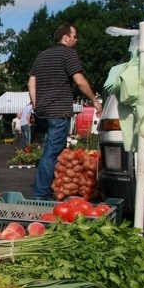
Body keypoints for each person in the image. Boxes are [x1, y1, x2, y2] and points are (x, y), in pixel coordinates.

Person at [29, 23, 102, 200]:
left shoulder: (42, 55)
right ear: (65, 37)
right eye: (74, 36)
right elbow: (79, 80)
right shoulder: (68, 54)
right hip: (58, 110)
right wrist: (94, 100)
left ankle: (55, 187)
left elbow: (32, 81)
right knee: (52, 152)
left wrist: (35, 104)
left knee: (53, 150)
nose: (76, 40)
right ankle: (40, 194)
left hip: (43, 111)